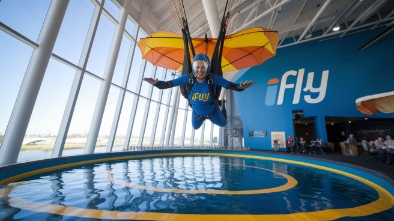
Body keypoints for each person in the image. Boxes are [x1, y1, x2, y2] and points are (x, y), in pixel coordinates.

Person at [143, 53, 254, 129]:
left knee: (223, 124)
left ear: (208, 68)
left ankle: (222, 104)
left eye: (203, 67)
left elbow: (231, 86)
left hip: (213, 112)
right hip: (197, 114)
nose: (200, 70)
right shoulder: (187, 79)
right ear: (193, 67)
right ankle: (204, 116)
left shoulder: (214, 79)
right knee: (195, 127)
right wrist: (155, 83)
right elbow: (167, 84)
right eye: (197, 67)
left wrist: (241, 87)